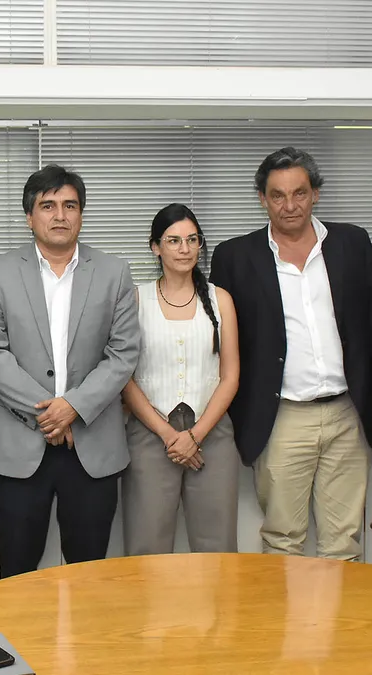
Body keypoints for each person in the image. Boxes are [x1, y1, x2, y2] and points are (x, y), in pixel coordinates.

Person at [210, 147, 372, 561]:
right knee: (283, 539)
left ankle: (337, 608)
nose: (290, 205)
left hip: (347, 412)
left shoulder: (352, 242)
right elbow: (221, 340)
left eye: (299, 193)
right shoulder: (234, 257)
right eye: (277, 195)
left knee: (344, 540)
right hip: (281, 417)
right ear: (262, 199)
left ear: (315, 193)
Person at [0, 164, 141, 578]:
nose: (60, 215)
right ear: (29, 216)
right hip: (19, 444)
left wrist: (74, 407)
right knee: (17, 573)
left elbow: (123, 353)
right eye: (48, 206)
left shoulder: (114, 272)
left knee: (88, 575)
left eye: (70, 205)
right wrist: (49, 413)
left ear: (81, 214)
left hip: (92, 445)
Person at [121, 203, 241, 555]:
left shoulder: (220, 299)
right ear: (155, 247)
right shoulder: (135, 300)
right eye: (173, 240)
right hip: (150, 434)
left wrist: (195, 435)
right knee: (147, 547)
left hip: (212, 433)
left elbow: (230, 376)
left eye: (192, 240)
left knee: (217, 547)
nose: (185, 249)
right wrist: (169, 434)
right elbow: (125, 377)